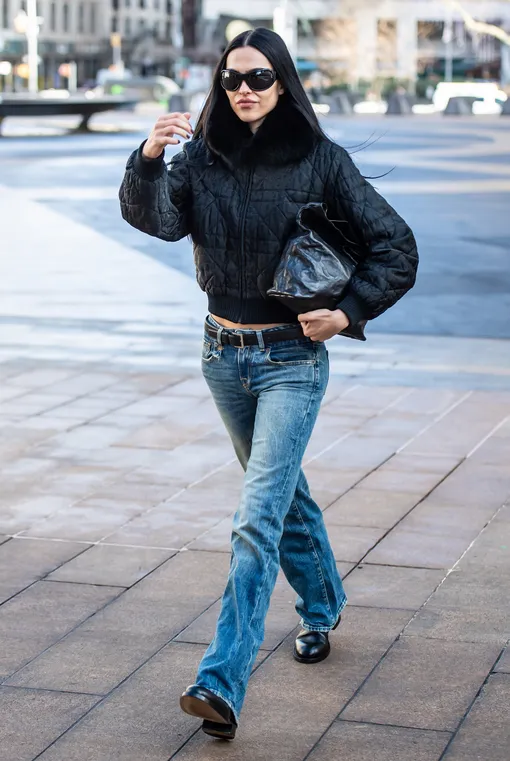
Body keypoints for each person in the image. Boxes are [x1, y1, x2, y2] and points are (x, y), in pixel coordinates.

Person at [119, 27, 418, 741]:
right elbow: (158, 220)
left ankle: (220, 681)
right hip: (222, 354)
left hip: (291, 358)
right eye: (231, 79)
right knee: (280, 491)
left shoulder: (321, 159)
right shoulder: (201, 157)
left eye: (258, 77)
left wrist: (347, 312)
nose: (244, 90)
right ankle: (324, 604)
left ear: (282, 81)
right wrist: (149, 158)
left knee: (256, 514)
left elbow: (396, 246)